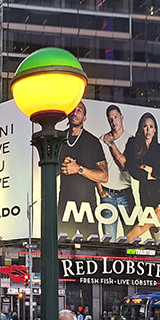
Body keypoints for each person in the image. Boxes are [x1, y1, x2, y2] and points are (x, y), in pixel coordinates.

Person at [58, 101, 108, 239]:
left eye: (79, 110)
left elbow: (104, 176)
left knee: (91, 246)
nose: (75, 113)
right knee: (62, 246)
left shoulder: (92, 142)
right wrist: (63, 166)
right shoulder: (59, 139)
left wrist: (78, 169)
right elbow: (49, 172)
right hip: (65, 204)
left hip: (87, 205)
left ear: (84, 118)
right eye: (73, 109)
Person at [98, 104, 135, 240]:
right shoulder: (101, 139)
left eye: (116, 117)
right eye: (110, 119)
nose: (113, 121)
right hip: (107, 194)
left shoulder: (131, 140)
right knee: (109, 239)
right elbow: (97, 166)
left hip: (126, 193)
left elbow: (125, 165)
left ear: (122, 117)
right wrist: (100, 190)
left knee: (131, 238)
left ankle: (131, 256)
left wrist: (111, 144)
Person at [126, 112, 160, 210]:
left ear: (155, 130)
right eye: (145, 126)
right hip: (145, 191)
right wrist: (151, 176)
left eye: (151, 126)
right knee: (147, 217)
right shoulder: (134, 144)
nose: (148, 130)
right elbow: (132, 168)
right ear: (141, 128)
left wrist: (148, 168)